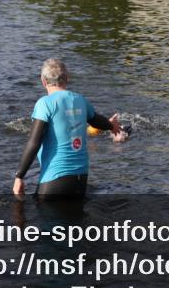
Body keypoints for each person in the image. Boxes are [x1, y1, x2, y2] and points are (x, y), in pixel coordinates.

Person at [13, 59, 126, 199]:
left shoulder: (45, 104)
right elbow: (97, 121)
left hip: (54, 179)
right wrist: (112, 126)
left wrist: (20, 176)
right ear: (67, 78)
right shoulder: (80, 100)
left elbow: (34, 142)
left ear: (43, 81)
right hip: (80, 179)